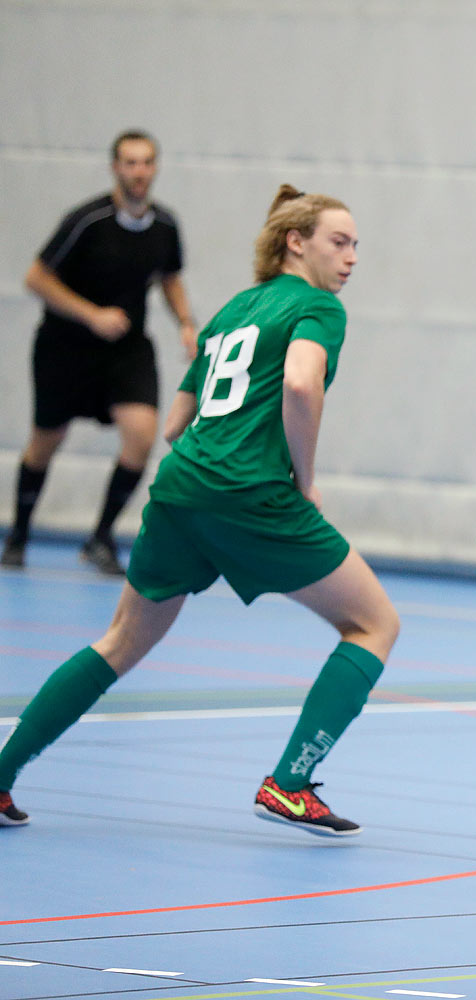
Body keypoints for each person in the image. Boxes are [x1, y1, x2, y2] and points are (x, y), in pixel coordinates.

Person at [0, 185, 399, 837]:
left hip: (180, 487)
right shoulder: (318, 308)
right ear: (295, 243)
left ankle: (0, 775)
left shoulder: (234, 310)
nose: (352, 257)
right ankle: (290, 784)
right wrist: (304, 479)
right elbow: (301, 382)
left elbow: (175, 424)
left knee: (121, 641)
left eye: (357, 245)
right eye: (339, 241)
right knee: (373, 623)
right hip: (251, 495)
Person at [3, 129, 198, 576]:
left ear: (155, 168)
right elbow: (36, 278)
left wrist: (186, 323)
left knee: (142, 433)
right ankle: (18, 535)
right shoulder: (86, 221)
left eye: (147, 162)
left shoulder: (166, 226)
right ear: (115, 168)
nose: (139, 172)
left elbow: (170, 277)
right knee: (45, 443)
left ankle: (101, 537)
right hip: (64, 348)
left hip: (125, 348)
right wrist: (90, 314)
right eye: (130, 163)